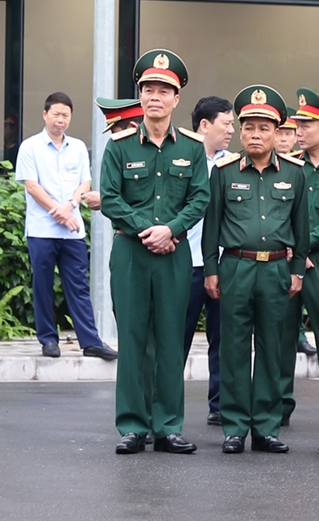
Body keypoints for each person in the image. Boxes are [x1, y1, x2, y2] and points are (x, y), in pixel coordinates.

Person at [101, 49, 210, 455]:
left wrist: (171, 229)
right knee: (132, 339)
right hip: (131, 252)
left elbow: (200, 198)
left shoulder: (194, 149)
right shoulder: (121, 146)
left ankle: (167, 426)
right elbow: (111, 199)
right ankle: (132, 425)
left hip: (174, 253)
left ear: (177, 98)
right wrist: (149, 229)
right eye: (148, 89)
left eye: (164, 90)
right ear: (140, 95)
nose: (155, 96)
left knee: (169, 339)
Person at [204, 86, 307, 454]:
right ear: (241, 132)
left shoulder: (295, 174)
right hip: (235, 267)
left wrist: (298, 270)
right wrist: (211, 270)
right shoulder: (224, 171)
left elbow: (302, 227)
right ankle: (234, 427)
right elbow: (211, 227)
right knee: (232, 348)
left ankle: (265, 427)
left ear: (277, 132)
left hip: (277, 270)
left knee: (272, 349)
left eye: (264, 128)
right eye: (248, 128)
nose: (256, 135)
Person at [15, 92, 115, 361]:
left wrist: (69, 206)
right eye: (56, 114)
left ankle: (91, 341)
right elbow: (31, 186)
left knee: (78, 285)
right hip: (41, 230)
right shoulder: (30, 147)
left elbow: (85, 183)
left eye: (66, 115)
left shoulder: (79, 147)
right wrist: (56, 211)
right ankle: (48, 339)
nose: (61, 120)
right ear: (45, 114)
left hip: (72, 229)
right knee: (43, 285)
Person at [280, 88, 319, 424]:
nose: (298, 132)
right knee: (280, 337)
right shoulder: (290, 167)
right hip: (289, 258)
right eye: (297, 126)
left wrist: (308, 246)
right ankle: (276, 410)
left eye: (306, 126)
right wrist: (294, 247)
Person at [183, 96, 236, 424]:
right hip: (186, 262)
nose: (232, 130)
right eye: (226, 124)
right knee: (177, 339)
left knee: (225, 339)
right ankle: (166, 407)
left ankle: (220, 406)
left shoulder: (233, 164)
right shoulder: (183, 160)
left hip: (223, 263)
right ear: (204, 125)